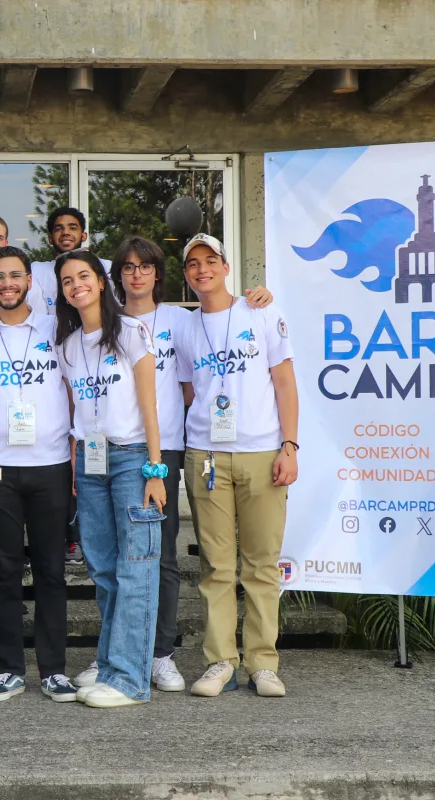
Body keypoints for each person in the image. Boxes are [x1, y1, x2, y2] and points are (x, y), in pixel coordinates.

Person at [109, 235, 274, 693]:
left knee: (162, 555)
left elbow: (190, 388)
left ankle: (162, 654)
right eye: (128, 268)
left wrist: (256, 297)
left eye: (145, 267)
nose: (137, 274)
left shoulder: (180, 321)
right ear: (118, 276)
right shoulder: (107, 322)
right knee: (114, 557)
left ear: (159, 274)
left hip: (174, 448)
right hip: (118, 448)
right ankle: (117, 654)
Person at [175, 233, 298, 699]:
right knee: (216, 565)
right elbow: (190, 393)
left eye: (210, 261)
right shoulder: (185, 328)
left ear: (226, 267)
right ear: (185, 275)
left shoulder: (260, 311)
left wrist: (290, 446)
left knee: (262, 564)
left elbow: (285, 384)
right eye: (192, 264)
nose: (202, 269)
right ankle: (219, 661)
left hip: (262, 452)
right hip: (206, 456)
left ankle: (262, 663)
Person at [55, 249, 167, 709]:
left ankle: (129, 680)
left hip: (131, 458)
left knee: (135, 567)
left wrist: (156, 471)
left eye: (84, 275)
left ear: (101, 282)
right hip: (91, 463)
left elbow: (149, 406)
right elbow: (76, 411)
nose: (76, 284)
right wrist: (77, 467)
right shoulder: (66, 345)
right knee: (102, 569)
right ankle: (109, 662)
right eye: (67, 280)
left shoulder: (132, 332)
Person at [0, 246, 76, 703]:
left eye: (15, 275)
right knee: (4, 571)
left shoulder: (59, 330)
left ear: (30, 281)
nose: (7, 283)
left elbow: (77, 391)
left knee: (52, 571)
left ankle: (53, 670)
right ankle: (10, 668)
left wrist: (75, 456)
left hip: (51, 464)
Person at [30, 208, 111, 315]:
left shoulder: (106, 267)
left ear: (84, 236)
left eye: (73, 228)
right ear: (50, 238)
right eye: (58, 229)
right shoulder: (37, 271)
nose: (65, 232)